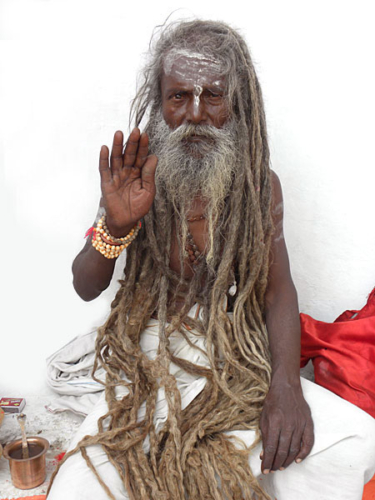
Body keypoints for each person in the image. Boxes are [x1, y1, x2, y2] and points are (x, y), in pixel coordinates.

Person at [47, 20, 375, 500]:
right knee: (83, 488)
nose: (195, 114)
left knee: (351, 445)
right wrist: (115, 226)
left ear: (236, 103)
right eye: (178, 96)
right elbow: (85, 284)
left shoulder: (259, 186)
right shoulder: (136, 179)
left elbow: (277, 290)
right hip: (151, 355)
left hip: (235, 348)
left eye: (213, 96)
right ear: (160, 104)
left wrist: (287, 387)